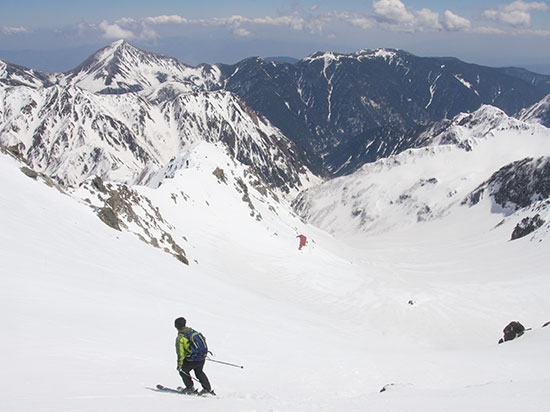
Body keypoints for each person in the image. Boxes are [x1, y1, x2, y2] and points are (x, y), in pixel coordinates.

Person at [174, 317, 215, 395]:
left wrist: (179, 365)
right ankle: (207, 389)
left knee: (183, 371)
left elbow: (180, 353)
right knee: (199, 372)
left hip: (192, 359)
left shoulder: (180, 338)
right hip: (201, 357)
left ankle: (190, 388)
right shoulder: (193, 332)